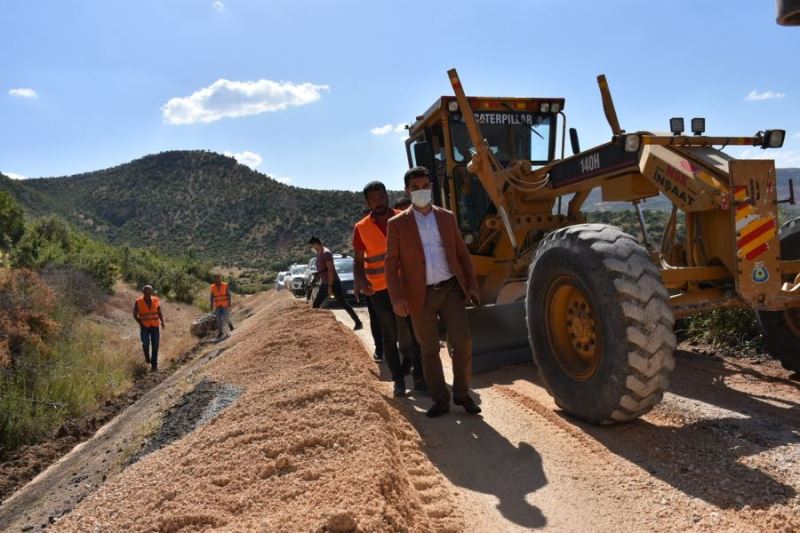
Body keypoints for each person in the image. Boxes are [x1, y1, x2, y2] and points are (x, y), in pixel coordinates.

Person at [385, 166, 482, 417]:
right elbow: (391, 263)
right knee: (428, 350)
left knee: (463, 342)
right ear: (407, 190)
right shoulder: (396, 224)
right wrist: (396, 298)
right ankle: (440, 398)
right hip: (420, 295)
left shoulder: (447, 217)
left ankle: (462, 394)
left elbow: (461, 253)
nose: (421, 191)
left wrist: (471, 285)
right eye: (415, 188)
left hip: (450, 290)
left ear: (431, 187)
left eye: (424, 186)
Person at [353, 182, 425, 397]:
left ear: (387, 196)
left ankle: (420, 378)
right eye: (373, 199)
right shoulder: (361, 228)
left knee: (415, 332)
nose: (379, 201)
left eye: (382, 196)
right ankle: (398, 380)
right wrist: (362, 281)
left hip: (406, 285)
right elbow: (358, 261)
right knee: (389, 334)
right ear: (367, 202)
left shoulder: (405, 217)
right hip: (380, 289)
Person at [309, 236, 363, 331]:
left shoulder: (326, 253)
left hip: (332, 282)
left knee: (342, 303)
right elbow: (322, 270)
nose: (312, 248)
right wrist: (316, 279)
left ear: (316, 244)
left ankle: (358, 322)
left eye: (313, 245)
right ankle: (316, 326)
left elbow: (331, 270)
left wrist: (330, 286)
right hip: (325, 282)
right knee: (316, 304)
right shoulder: (320, 253)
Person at [133, 285, 165, 372]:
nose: (148, 294)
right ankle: (147, 358)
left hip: (155, 325)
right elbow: (135, 315)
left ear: (152, 292)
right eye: (146, 293)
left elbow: (159, 312)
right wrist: (140, 323)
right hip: (145, 326)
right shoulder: (138, 301)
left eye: (150, 293)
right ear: (143, 292)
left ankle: (154, 365)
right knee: (146, 343)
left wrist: (162, 321)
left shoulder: (155, 300)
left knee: (155, 344)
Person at [210, 274, 234, 338]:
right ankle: (220, 332)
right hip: (217, 305)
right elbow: (212, 296)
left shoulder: (225, 285)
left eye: (218, 277)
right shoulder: (212, 287)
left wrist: (229, 302)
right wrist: (211, 304)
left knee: (225, 317)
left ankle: (230, 324)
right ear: (214, 279)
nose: (217, 279)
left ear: (220, 278)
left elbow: (228, 294)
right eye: (216, 278)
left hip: (224, 304)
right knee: (218, 319)